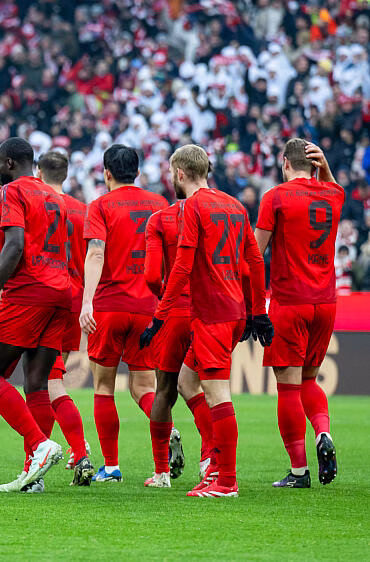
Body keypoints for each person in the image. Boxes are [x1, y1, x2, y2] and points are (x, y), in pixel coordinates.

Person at [140, 144, 272, 498]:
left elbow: (182, 266)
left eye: (172, 173)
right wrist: (257, 310)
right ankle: (214, 468)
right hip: (234, 311)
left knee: (217, 394)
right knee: (186, 382)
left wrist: (159, 315)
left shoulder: (193, 207)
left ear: (180, 173)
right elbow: (255, 261)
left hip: (213, 312)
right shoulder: (234, 205)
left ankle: (226, 480)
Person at [0, 137, 68, 493]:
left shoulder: (12, 192)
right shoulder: (54, 196)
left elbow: (14, 245)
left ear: (9, 163)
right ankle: (34, 476)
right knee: (37, 382)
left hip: (29, 290)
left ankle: (39, 444)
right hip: (61, 291)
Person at [254, 139, 343, 488]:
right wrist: (327, 169)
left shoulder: (275, 197)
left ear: (284, 163)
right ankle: (323, 432)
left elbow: (254, 251)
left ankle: (298, 472)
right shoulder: (333, 196)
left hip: (291, 301)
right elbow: (335, 189)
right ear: (315, 165)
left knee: (288, 387)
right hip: (327, 302)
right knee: (309, 380)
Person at [79, 144, 168, 483]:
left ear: (106, 173)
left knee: (103, 386)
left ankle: (112, 466)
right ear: (138, 172)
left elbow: (96, 254)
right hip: (150, 307)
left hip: (111, 306)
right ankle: (167, 431)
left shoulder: (100, 205)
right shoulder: (160, 205)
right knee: (145, 385)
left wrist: (87, 301)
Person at [143, 192, 214, 488]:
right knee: (210, 389)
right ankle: (210, 460)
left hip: (173, 312)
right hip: (210, 310)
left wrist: (165, 298)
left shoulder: (160, 219)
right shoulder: (218, 214)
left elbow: (150, 275)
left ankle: (161, 473)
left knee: (165, 390)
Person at [35, 151, 94, 485]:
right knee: (51, 377)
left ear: (39, 172)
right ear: (67, 174)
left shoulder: (37, 204)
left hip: (43, 296)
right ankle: (77, 449)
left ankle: (48, 457)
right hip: (74, 297)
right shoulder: (82, 211)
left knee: (43, 382)